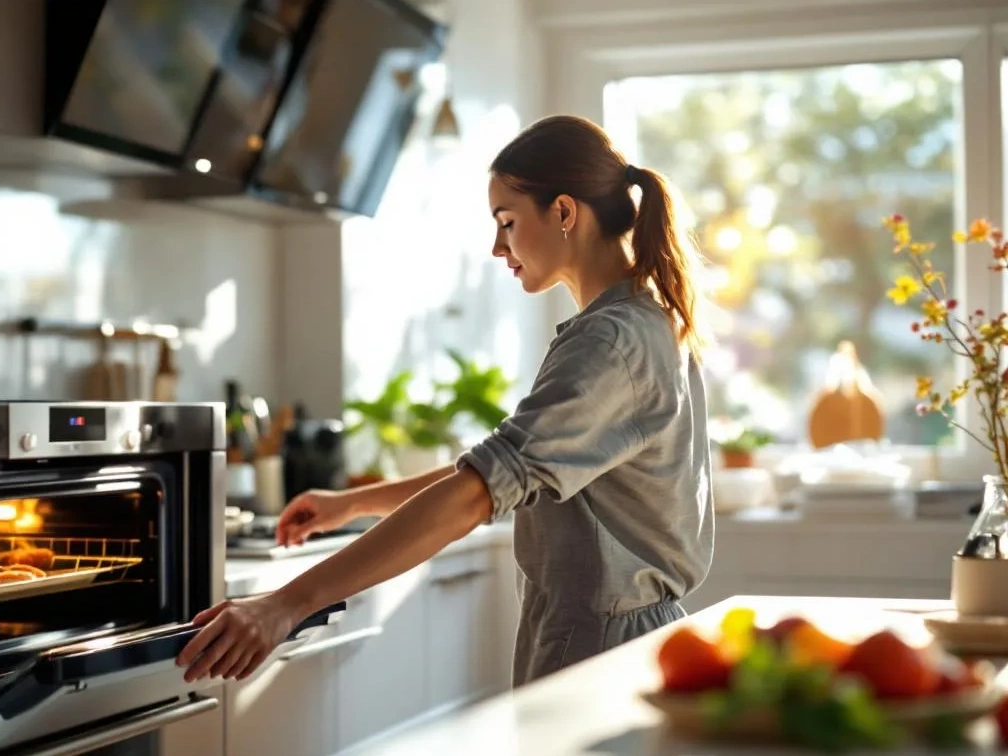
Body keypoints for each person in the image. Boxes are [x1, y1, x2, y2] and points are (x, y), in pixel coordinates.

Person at [177, 115, 714, 687]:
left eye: (507, 222)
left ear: (563, 212)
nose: (497, 246)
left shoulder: (610, 342)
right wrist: (354, 503)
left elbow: (478, 491)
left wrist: (285, 604)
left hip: (598, 646)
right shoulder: (644, 325)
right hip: (616, 636)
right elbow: (501, 471)